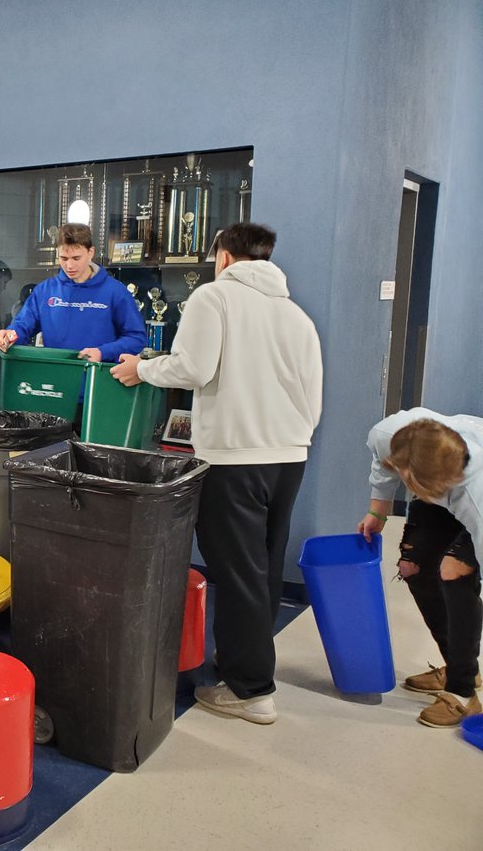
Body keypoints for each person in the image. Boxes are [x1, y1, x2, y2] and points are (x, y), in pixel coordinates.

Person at [111, 223, 322, 725]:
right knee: (264, 568)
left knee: (236, 573)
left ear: (224, 257)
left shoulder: (215, 298)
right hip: (289, 455)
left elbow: (193, 368)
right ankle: (240, 667)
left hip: (234, 457)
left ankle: (251, 691)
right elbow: (313, 396)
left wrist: (142, 369)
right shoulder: (296, 315)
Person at [358, 411, 483, 727]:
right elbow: (382, 465)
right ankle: (457, 664)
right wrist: (379, 511)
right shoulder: (388, 435)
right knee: (413, 566)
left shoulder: (474, 498)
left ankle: (463, 691)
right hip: (439, 474)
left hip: (471, 487)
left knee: (455, 571)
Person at [0, 223, 146, 363]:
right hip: (56, 380)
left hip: (99, 381)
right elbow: (22, 326)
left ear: (90, 252)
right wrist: (8, 336)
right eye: (64, 258)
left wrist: (103, 352)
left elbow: (136, 338)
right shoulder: (45, 291)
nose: (69, 265)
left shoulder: (115, 291)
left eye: (76, 258)